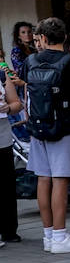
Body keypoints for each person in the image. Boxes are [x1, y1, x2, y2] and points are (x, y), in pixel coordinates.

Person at [27, 19, 70, 253]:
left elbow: (29, 95)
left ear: (42, 38)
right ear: (65, 37)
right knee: (61, 180)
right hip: (63, 128)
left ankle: (48, 235)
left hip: (37, 128)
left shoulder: (30, 61)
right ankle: (60, 236)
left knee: (43, 180)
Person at [0, 67, 19, 244]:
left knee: (6, 185)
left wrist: (8, 106)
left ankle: (9, 230)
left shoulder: (1, 73)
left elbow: (16, 104)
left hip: (3, 139)